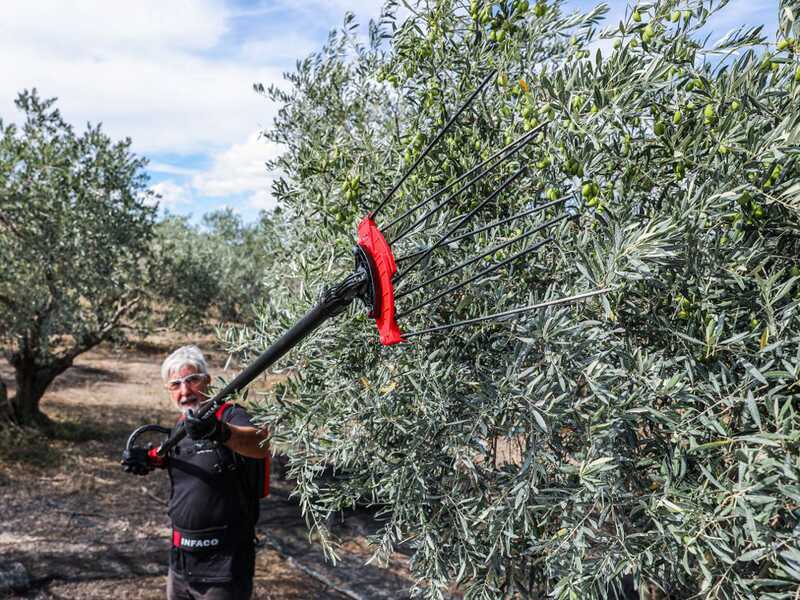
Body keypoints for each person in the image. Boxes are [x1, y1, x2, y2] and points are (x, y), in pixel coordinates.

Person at [121, 345, 269, 600]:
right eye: (175, 384)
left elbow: (260, 444)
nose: (185, 391)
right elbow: (172, 457)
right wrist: (146, 460)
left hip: (225, 566)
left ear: (208, 382)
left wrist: (220, 432)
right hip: (180, 563)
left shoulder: (231, 415)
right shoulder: (181, 428)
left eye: (192, 380)